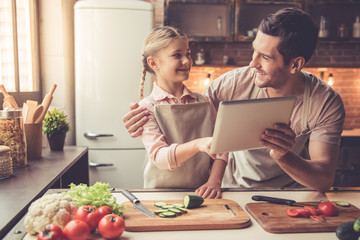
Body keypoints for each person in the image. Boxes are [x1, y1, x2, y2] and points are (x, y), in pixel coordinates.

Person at [123, 8, 345, 193]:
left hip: (291, 194)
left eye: (265, 57)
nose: (252, 64)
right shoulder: (231, 84)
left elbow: (324, 179)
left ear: (295, 64)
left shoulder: (324, 102)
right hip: (234, 190)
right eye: (254, 51)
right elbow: (190, 117)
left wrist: (283, 155)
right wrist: (142, 122)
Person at [136, 26, 227, 199]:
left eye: (188, 53)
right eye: (177, 55)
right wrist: (197, 144)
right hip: (158, 195)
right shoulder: (146, 107)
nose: (186, 61)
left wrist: (214, 181)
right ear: (153, 63)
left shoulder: (205, 102)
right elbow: (160, 158)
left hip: (202, 193)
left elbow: (222, 148)